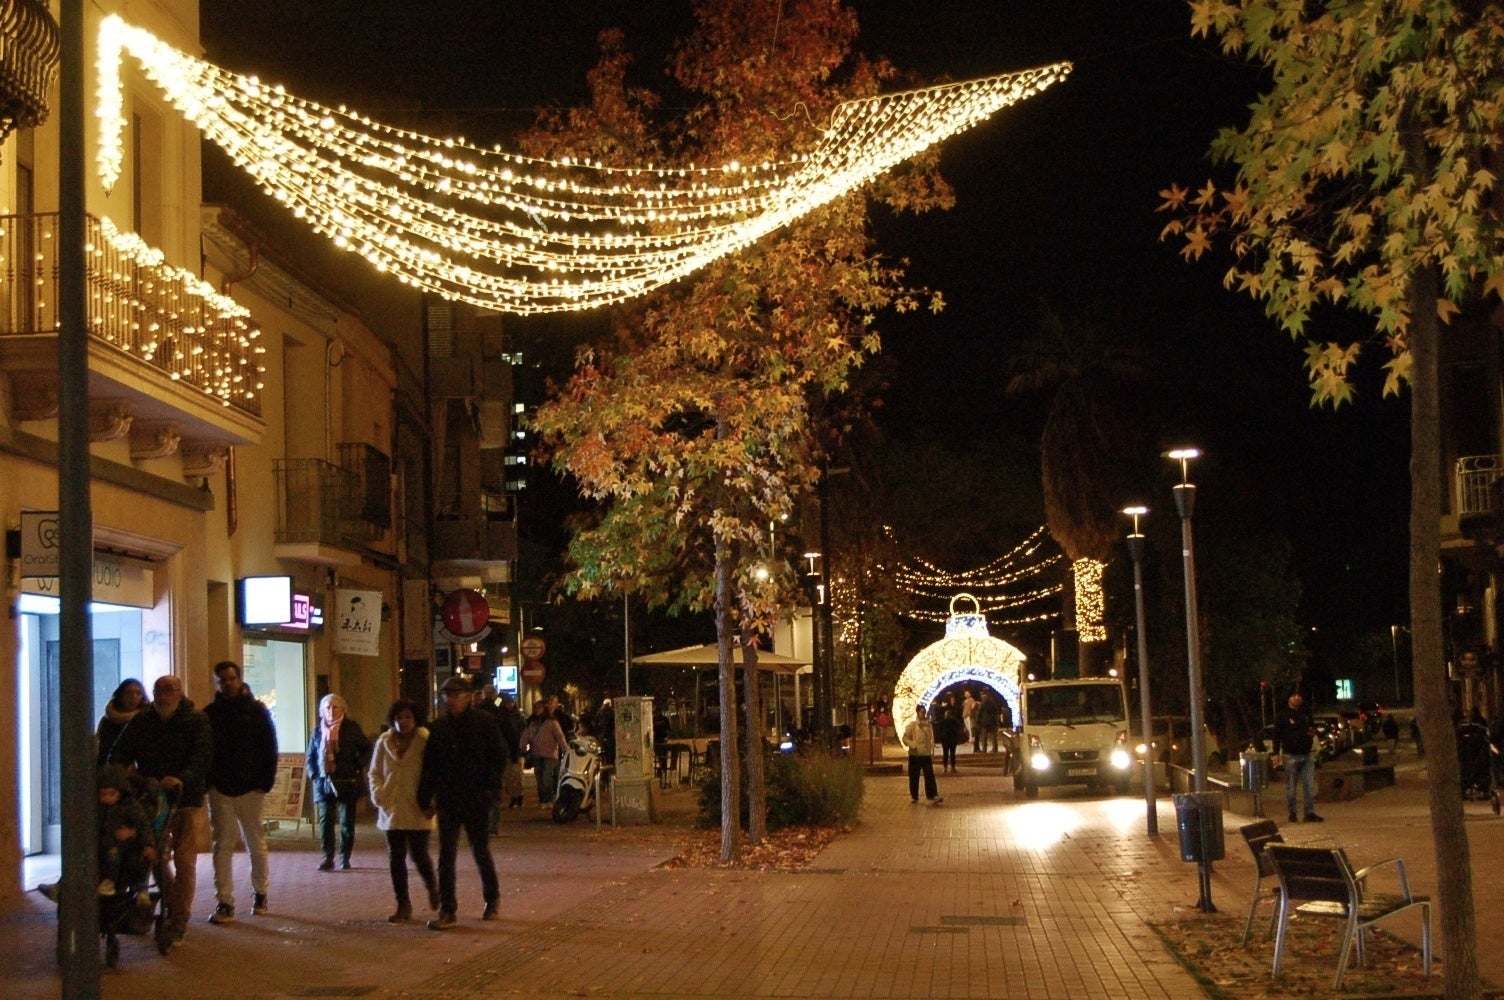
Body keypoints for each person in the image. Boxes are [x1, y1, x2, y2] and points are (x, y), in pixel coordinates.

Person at [107, 674, 213, 947]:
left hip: (185, 800)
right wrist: (127, 779)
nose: (164, 695)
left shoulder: (196, 720)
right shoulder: (142, 721)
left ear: (180, 692)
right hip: (152, 801)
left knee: (185, 861)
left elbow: (201, 758)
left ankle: (179, 920)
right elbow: (119, 753)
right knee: (153, 856)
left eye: (169, 690)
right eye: (159, 690)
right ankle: (172, 906)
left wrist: (181, 778)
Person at [418, 674, 504, 930]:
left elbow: (498, 757)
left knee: (480, 850)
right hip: (449, 798)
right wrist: (425, 798)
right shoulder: (439, 727)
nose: (450, 700)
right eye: (447, 695)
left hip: (476, 797)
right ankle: (448, 909)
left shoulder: (484, 723)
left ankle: (492, 898)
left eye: (455, 695)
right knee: (446, 854)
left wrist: (491, 789)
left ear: (468, 697)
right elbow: (430, 766)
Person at [204, 660, 279, 924]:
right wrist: (209, 783)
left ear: (239, 679)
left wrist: (265, 781)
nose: (228, 683)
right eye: (222, 680)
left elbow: (270, 746)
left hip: (251, 788)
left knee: (255, 841)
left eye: (231, 678)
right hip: (221, 788)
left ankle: (261, 893)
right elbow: (206, 751)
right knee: (222, 845)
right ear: (216, 683)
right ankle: (225, 901)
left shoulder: (256, 711)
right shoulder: (210, 713)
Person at [368, 699, 440, 923]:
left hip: (418, 806)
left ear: (416, 718)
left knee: (419, 855)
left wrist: (431, 801)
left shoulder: (425, 740)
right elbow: (374, 772)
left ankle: (432, 887)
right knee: (396, 858)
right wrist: (378, 794)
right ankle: (403, 904)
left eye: (408, 717)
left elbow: (434, 773)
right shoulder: (384, 741)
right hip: (392, 806)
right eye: (399, 718)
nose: (403, 722)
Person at [305, 693, 371, 871]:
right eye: (327, 707)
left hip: (347, 781)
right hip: (323, 781)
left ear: (343, 709)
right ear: (322, 711)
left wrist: (358, 765)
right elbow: (310, 756)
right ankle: (327, 857)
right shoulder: (318, 731)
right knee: (325, 821)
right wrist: (314, 774)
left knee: (346, 822)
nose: (331, 711)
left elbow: (367, 749)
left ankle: (345, 857)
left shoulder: (352, 728)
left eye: (335, 707)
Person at [96, 764, 154, 898]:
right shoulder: (99, 808)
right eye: (103, 794)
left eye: (111, 794)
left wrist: (147, 843)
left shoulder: (130, 806)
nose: (107, 798)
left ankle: (110, 882)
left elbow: (143, 825)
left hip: (124, 847)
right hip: (104, 845)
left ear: (121, 792)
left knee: (114, 856)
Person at [1272, 692, 1322, 823]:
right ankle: (1292, 813)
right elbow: (1277, 734)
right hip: (1290, 755)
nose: (1296, 698)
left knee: (1309, 786)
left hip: (1306, 754)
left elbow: (1312, 728)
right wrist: (1275, 752)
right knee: (1291, 786)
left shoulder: (1306, 713)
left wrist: (1311, 733)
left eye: (1299, 696)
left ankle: (1309, 813)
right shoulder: (1282, 715)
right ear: (1289, 699)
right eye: (1293, 696)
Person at [525, 700, 568, 808]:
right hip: (537, 754)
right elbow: (526, 735)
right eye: (536, 708)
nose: (537, 710)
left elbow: (560, 737)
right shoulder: (532, 722)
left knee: (546, 777)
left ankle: (548, 799)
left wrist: (565, 750)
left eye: (540, 708)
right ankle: (543, 800)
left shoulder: (552, 722)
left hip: (550, 754)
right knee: (539, 778)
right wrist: (522, 746)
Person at [96, 679, 149, 766]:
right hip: (113, 768)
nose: (133, 697)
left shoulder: (146, 719)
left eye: (138, 693)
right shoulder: (108, 720)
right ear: (120, 695)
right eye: (129, 693)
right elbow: (102, 750)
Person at [901, 705, 943, 806]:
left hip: (926, 755)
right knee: (914, 776)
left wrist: (932, 751)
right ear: (918, 713)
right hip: (915, 755)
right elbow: (905, 738)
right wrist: (913, 745)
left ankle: (932, 795)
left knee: (929, 775)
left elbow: (931, 739)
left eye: (924, 712)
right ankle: (914, 796)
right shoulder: (913, 725)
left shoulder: (928, 725)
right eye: (921, 712)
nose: (923, 714)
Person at [497, 694, 525, 808]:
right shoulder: (500, 716)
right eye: (507, 703)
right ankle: (513, 796)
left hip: (517, 749)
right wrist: (499, 697)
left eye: (511, 702)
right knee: (508, 776)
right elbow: (494, 704)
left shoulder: (519, 717)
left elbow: (523, 732)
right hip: (506, 750)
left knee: (517, 774)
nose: (510, 705)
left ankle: (519, 795)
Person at [935, 706, 963, 773]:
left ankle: (945, 768)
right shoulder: (954, 722)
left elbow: (939, 731)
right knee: (952, 754)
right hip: (952, 740)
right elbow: (957, 730)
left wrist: (941, 739)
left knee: (945, 754)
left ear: (945, 715)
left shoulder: (942, 722)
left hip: (945, 740)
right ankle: (952, 768)